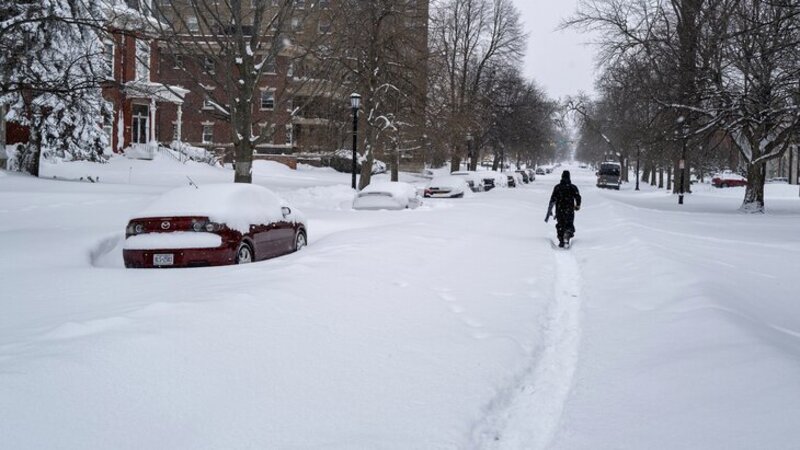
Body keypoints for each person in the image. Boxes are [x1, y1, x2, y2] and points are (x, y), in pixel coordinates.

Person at [547, 170, 582, 247]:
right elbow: (578, 197)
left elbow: (552, 199)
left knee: (560, 225)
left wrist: (550, 210)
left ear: (561, 177)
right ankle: (567, 234)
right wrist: (577, 205)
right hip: (569, 209)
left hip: (559, 209)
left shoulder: (557, 187)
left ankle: (561, 241)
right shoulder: (573, 187)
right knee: (569, 224)